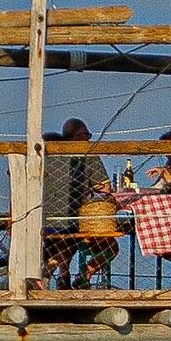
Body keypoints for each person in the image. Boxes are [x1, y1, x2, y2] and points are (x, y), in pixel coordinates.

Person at [42, 118, 114, 288]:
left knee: (61, 242)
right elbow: (105, 189)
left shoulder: (47, 155)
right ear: (80, 136)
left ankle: (63, 276)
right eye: (87, 135)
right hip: (73, 218)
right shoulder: (88, 155)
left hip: (43, 217)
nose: (89, 140)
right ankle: (82, 275)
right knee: (110, 246)